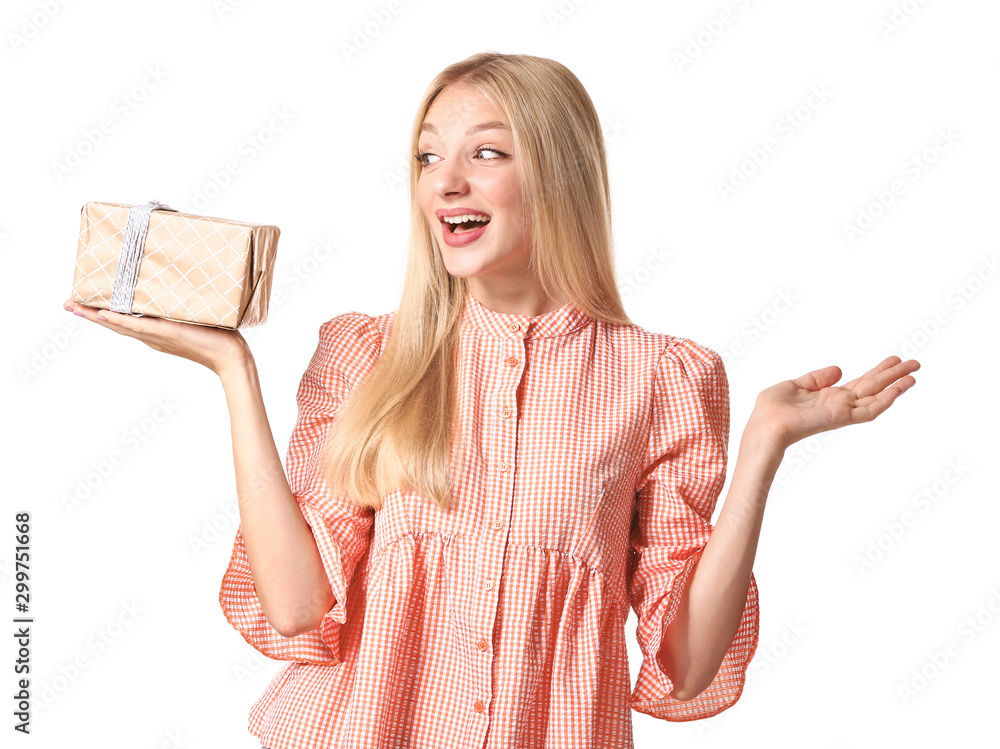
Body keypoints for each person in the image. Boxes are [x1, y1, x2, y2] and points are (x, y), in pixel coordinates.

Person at [62, 51, 919, 749]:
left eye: (486, 153)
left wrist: (764, 448)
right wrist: (234, 373)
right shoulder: (367, 355)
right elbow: (294, 607)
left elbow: (686, 665)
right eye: (427, 156)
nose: (445, 183)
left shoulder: (663, 379)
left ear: (559, 174)